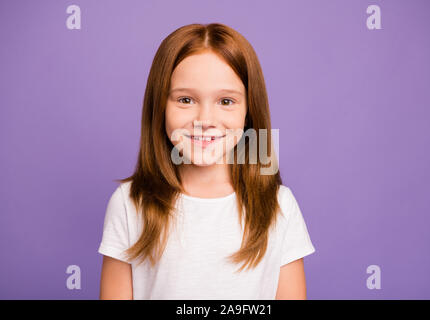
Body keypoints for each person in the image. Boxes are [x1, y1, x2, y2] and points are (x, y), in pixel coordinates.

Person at [98, 22, 316, 300]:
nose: (205, 121)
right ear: (160, 107)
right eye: (186, 99)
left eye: (226, 101)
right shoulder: (130, 203)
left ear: (249, 113)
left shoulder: (278, 205)